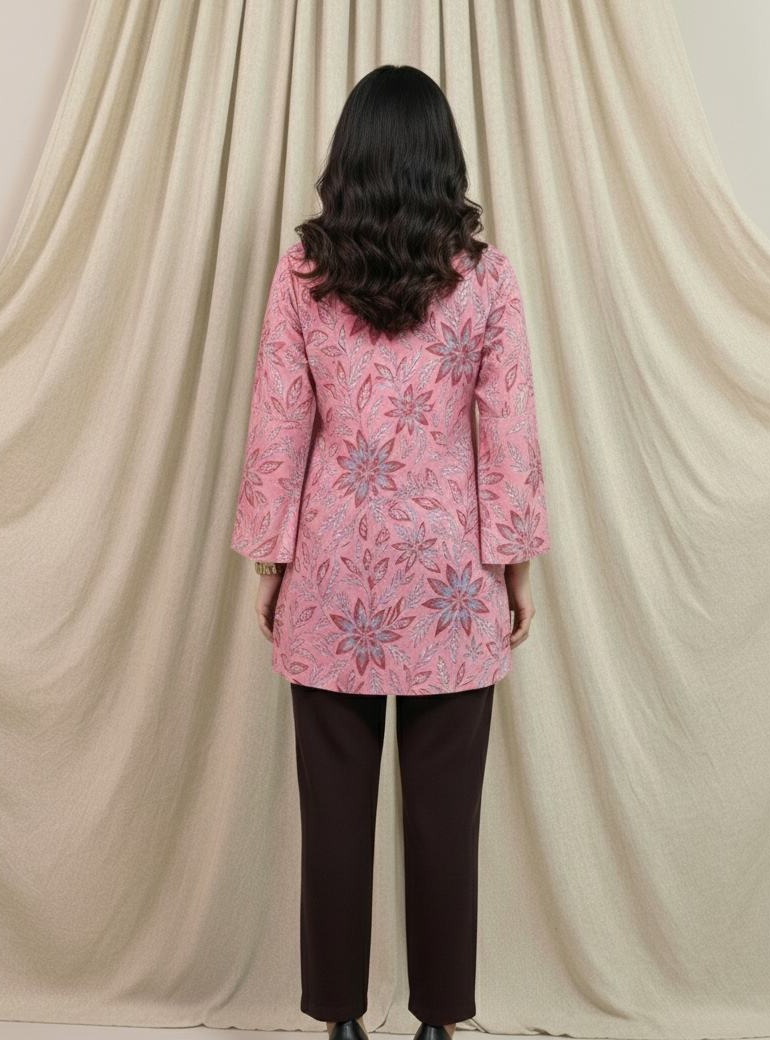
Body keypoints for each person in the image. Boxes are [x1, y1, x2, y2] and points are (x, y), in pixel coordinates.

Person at [230, 65, 551, 1040]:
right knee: (444, 823)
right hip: (452, 574)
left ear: (349, 157)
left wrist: (270, 561)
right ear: (441, 159)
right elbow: (509, 429)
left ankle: (335, 1022)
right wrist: (515, 565)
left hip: (332, 569)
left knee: (332, 820)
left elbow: (279, 423)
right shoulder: (483, 275)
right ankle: (439, 1023)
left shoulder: (304, 269)